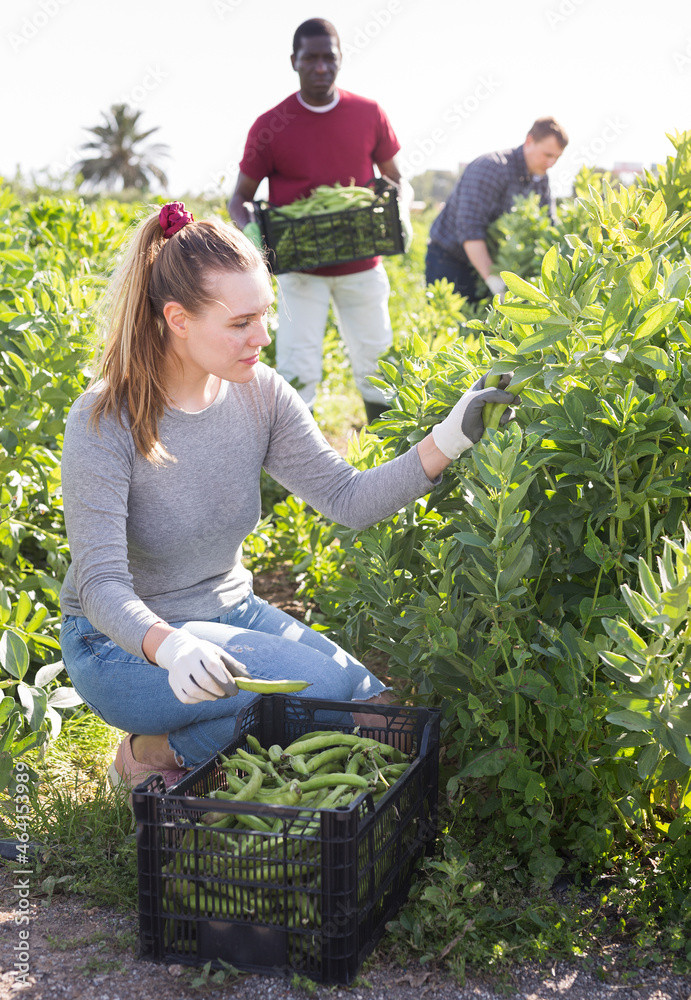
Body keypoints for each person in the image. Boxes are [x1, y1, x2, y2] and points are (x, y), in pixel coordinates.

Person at [57, 202, 517, 793]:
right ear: (177, 318)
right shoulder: (105, 416)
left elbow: (346, 497)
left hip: (229, 611)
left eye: (266, 314)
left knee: (374, 710)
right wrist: (170, 647)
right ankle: (154, 752)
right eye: (241, 322)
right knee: (316, 694)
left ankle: (188, 747)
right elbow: (100, 584)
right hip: (123, 648)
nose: (263, 336)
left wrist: (448, 439)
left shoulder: (261, 395)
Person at [228, 17, 410, 425]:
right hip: (300, 266)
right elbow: (239, 198)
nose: (321, 66)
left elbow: (396, 178)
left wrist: (401, 207)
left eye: (329, 57)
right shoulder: (270, 126)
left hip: (362, 264)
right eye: (311, 58)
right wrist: (252, 233)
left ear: (341, 58)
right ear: (294, 61)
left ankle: (387, 451)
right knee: (298, 364)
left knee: (377, 358)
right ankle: (296, 465)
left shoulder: (368, 113)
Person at [425, 117, 569, 303]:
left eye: (557, 158)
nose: (552, 163)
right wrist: (496, 284)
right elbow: (470, 231)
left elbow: (548, 226)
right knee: (451, 326)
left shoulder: (541, 180)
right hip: (452, 260)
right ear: (529, 141)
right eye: (548, 155)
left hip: (493, 263)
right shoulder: (491, 168)